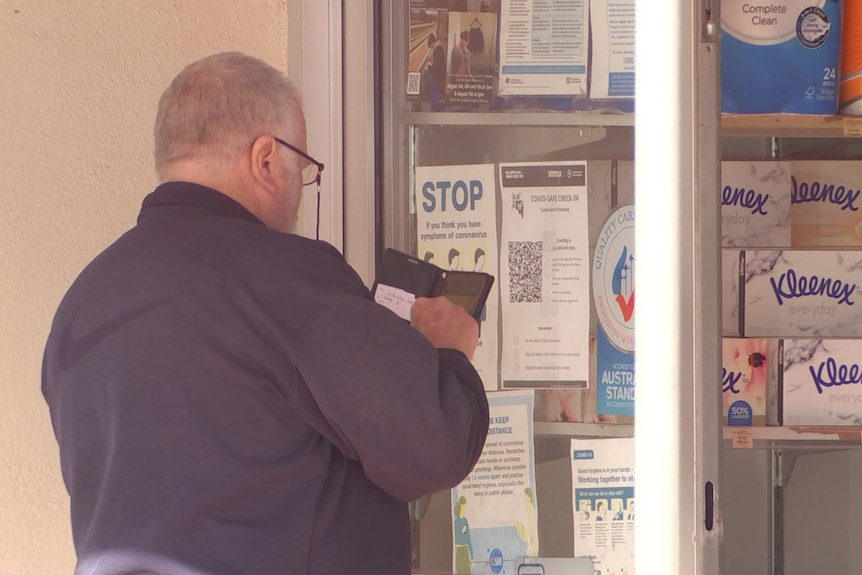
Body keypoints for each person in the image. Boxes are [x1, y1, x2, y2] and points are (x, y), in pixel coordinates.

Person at [41, 52, 489, 575]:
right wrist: (446, 352)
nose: (302, 189)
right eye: (305, 170)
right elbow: (434, 444)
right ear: (266, 160)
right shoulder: (286, 279)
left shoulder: (83, 299)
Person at [423, 33, 447, 110]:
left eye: (431, 45)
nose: (431, 47)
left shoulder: (437, 49)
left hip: (438, 78)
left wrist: (429, 67)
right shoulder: (439, 48)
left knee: (434, 100)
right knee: (435, 99)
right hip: (440, 76)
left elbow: (436, 67)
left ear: (432, 42)